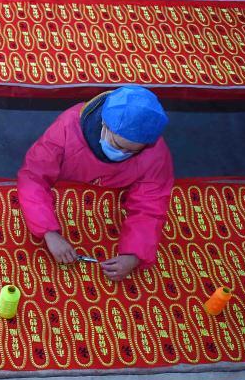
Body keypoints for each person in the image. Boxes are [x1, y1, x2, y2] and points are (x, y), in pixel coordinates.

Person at [17, 85, 173, 281]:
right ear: (104, 124)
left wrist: (134, 254)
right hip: (63, 189)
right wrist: (48, 232)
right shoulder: (68, 127)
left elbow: (151, 205)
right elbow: (33, 177)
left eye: (132, 151)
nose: (122, 154)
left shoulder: (155, 152)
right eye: (118, 145)